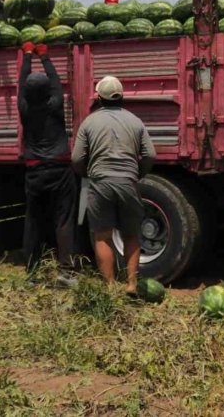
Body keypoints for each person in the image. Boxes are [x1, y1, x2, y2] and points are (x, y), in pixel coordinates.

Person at [71, 76, 156, 294]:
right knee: (131, 234)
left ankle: (109, 287)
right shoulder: (135, 121)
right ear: (122, 96)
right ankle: (131, 285)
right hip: (127, 182)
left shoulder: (89, 122)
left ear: (99, 97)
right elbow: (150, 154)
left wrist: (86, 174)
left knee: (102, 235)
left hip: (100, 183)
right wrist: (136, 174)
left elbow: (77, 158)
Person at [18, 41, 78, 285]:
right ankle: (66, 272)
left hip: (35, 171)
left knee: (33, 221)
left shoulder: (25, 108)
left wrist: (27, 56)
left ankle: (32, 274)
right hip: (60, 170)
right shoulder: (55, 106)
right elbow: (56, 83)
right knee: (63, 220)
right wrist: (45, 58)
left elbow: (22, 84)